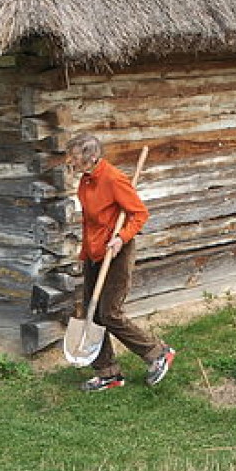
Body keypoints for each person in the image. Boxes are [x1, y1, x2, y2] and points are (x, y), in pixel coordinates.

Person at [65, 132, 175, 392]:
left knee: (109, 313)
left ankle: (157, 352)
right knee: (92, 315)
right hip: (95, 253)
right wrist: (85, 253)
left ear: (91, 157)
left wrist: (120, 238)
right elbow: (89, 221)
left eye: (75, 156)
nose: (70, 161)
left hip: (116, 252)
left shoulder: (113, 179)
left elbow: (140, 214)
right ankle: (108, 373)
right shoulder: (85, 181)